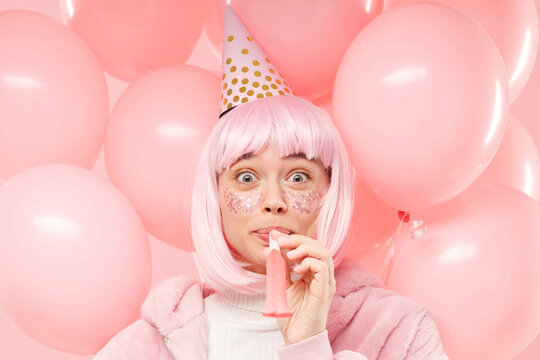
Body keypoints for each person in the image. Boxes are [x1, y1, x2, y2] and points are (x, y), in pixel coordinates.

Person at [93, 6, 449, 360]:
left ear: (329, 193)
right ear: (215, 197)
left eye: (298, 177)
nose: (274, 201)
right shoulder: (147, 346)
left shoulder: (398, 332)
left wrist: (306, 346)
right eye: (246, 177)